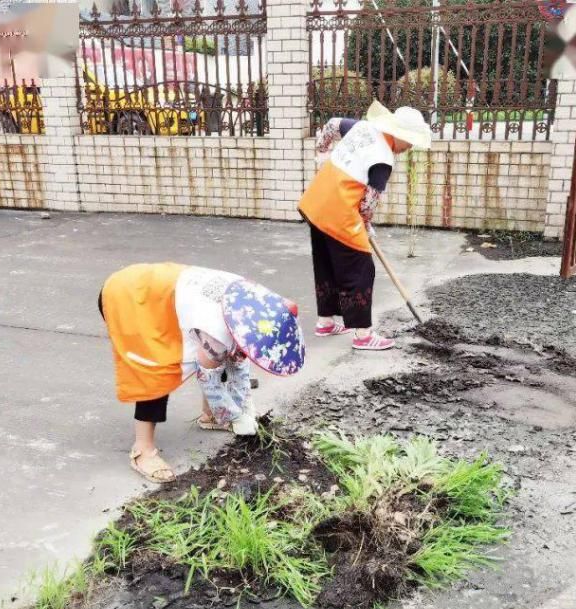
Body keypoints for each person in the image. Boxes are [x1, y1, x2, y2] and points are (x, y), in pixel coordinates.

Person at [98, 263, 304, 483]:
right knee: (158, 369)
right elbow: (209, 376)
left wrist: (238, 400)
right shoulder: (217, 331)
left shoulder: (253, 305)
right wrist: (232, 414)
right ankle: (143, 451)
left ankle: (210, 416)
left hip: (163, 290)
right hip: (132, 297)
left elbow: (232, 361)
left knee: (222, 355)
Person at [299, 101, 432, 350]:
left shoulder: (361, 128)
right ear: (398, 134)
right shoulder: (383, 159)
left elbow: (331, 125)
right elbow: (368, 203)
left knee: (327, 262)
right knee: (361, 267)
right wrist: (365, 224)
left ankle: (325, 322)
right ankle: (363, 335)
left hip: (316, 203)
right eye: (410, 141)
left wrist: (322, 155)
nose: (409, 147)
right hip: (339, 213)